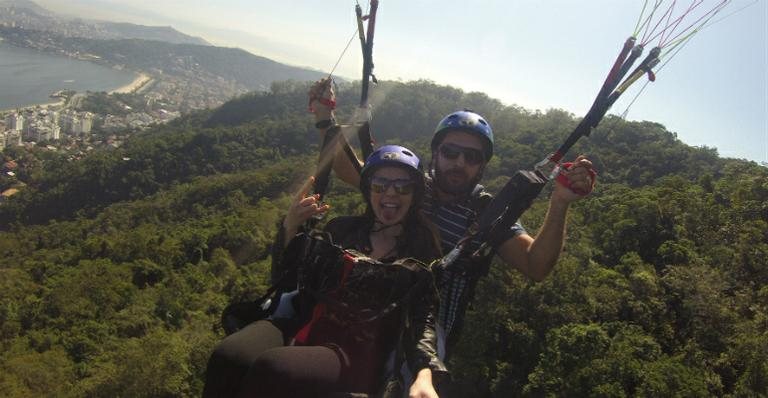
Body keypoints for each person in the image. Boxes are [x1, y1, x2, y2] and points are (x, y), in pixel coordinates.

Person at [307, 78, 597, 360]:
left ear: (482, 166)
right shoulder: (409, 185)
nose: (459, 163)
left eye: (471, 157)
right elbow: (352, 171)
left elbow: (536, 265)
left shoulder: (487, 213)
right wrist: (324, 117)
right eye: (450, 152)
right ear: (435, 153)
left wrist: (559, 203)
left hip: (421, 338)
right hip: (362, 311)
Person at [203, 145, 447, 398]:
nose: (390, 193)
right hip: (309, 320)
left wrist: (424, 372)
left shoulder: (422, 246)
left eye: (402, 186)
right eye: (380, 184)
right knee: (229, 356)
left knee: (274, 368)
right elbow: (288, 275)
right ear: (368, 189)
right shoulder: (342, 229)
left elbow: (424, 315)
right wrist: (291, 226)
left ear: (415, 193)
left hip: (356, 349)